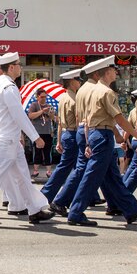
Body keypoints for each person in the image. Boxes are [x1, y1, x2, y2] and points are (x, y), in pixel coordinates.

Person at [0, 52, 55, 227]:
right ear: (11, 67)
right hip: (7, 141)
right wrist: (36, 138)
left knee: (22, 176)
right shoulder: (8, 88)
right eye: (19, 64)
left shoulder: (0, 86)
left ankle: (35, 210)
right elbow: (19, 115)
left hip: (8, 140)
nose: (21, 67)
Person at [66, 56, 137, 226]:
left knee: (113, 177)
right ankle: (75, 212)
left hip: (96, 134)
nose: (116, 73)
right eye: (113, 70)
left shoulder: (92, 91)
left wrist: (88, 142)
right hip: (103, 136)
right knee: (92, 176)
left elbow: (86, 120)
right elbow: (120, 119)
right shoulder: (106, 92)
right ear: (107, 72)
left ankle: (131, 209)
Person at [40, 67, 84, 212]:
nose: (79, 83)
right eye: (77, 80)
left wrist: (59, 140)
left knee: (66, 167)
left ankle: (47, 194)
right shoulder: (74, 99)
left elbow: (60, 122)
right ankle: (53, 196)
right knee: (77, 168)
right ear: (72, 82)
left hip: (66, 133)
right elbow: (78, 121)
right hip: (73, 134)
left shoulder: (63, 98)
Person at [27, 88, 56, 179]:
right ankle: (35, 171)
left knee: (47, 151)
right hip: (37, 132)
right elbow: (31, 115)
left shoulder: (49, 105)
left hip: (47, 132)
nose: (44, 99)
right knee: (37, 151)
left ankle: (49, 171)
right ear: (37, 97)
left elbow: (52, 118)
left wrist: (50, 113)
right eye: (42, 97)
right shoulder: (34, 105)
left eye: (45, 97)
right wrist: (42, 111)